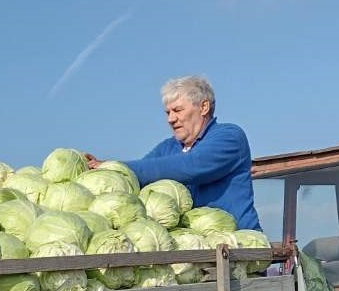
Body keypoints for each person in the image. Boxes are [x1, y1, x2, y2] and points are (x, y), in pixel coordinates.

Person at [87, 75, 261, 230]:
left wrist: (115, 167)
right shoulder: (168, 148)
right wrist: (99, 171)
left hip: (239, 249)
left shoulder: (229, 136)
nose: (170, 119)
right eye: (168, 112)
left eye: (178, 110)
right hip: (197, 252)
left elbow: (191, 166)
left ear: (204, 107)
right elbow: (138, 178)